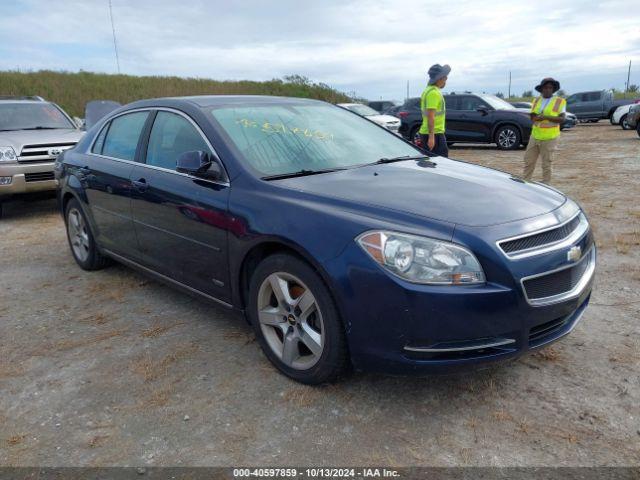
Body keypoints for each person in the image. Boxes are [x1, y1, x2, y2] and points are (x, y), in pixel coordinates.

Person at [523, 77, 566, 183]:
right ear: (541, 89)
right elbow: (532, 116)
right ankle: (525, 183)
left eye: (550, 88)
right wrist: (535, 117)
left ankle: (546, 186)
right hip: (535, 135)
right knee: (529, 161)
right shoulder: (536, 100)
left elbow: (562, 119)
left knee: (546, 164)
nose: (547, 90)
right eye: (545, 88)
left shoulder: (560, 101)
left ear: (553, 89)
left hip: (550, 138)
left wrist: (545, 117)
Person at [419, 64, 450, 157]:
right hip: (435, 134)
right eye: (445, 77)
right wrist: (431, 138)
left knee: (431, 163)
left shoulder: (428, 90)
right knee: (441, 164)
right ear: (439, 79)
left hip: (430, 132)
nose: (446, 80)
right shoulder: (433, 93)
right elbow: (431, 116)